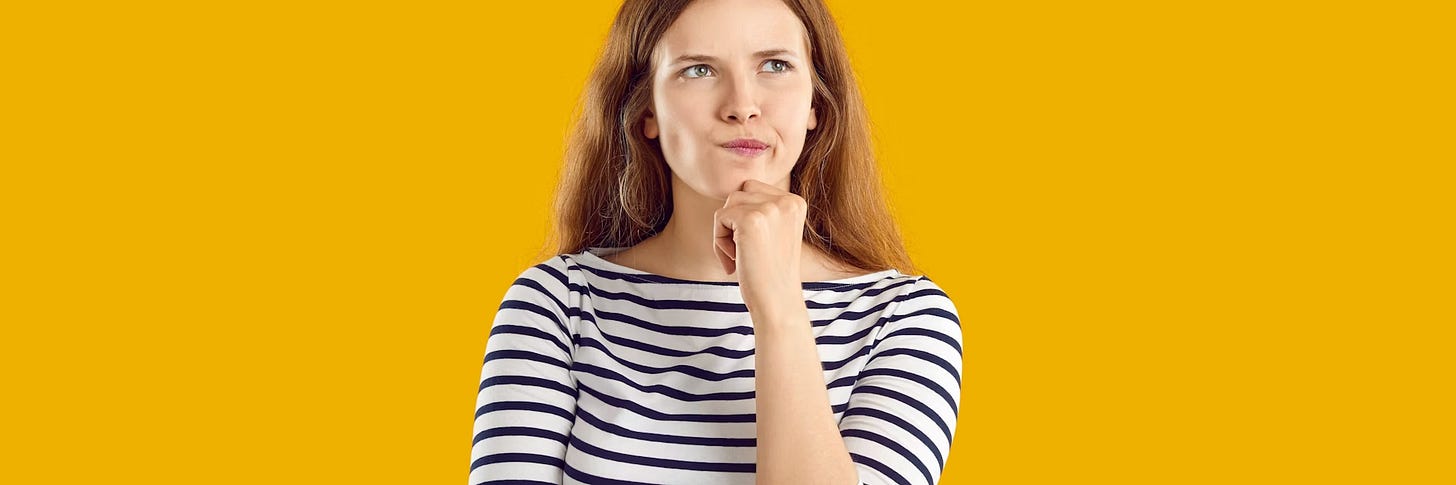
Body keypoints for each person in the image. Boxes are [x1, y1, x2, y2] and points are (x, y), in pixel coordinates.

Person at [470, 0, 963, 483]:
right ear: (648, 111)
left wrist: (779, 311)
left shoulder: (906, 317)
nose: (742, 106)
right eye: (698, 70)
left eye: (774, 65)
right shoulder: (558, 303)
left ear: (816, 102)